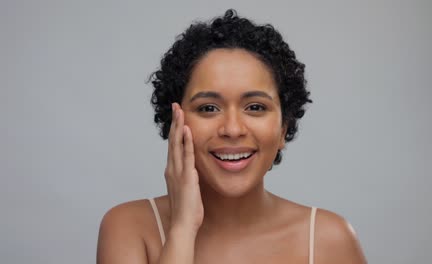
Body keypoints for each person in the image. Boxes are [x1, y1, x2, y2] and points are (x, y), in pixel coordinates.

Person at [97, 9, 366, 264]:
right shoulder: (129, 227)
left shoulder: (328, 239)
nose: (233, 129)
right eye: (208, 108)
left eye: (255, 107)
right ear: (175, 124)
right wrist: (182, 228)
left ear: (284, 127)